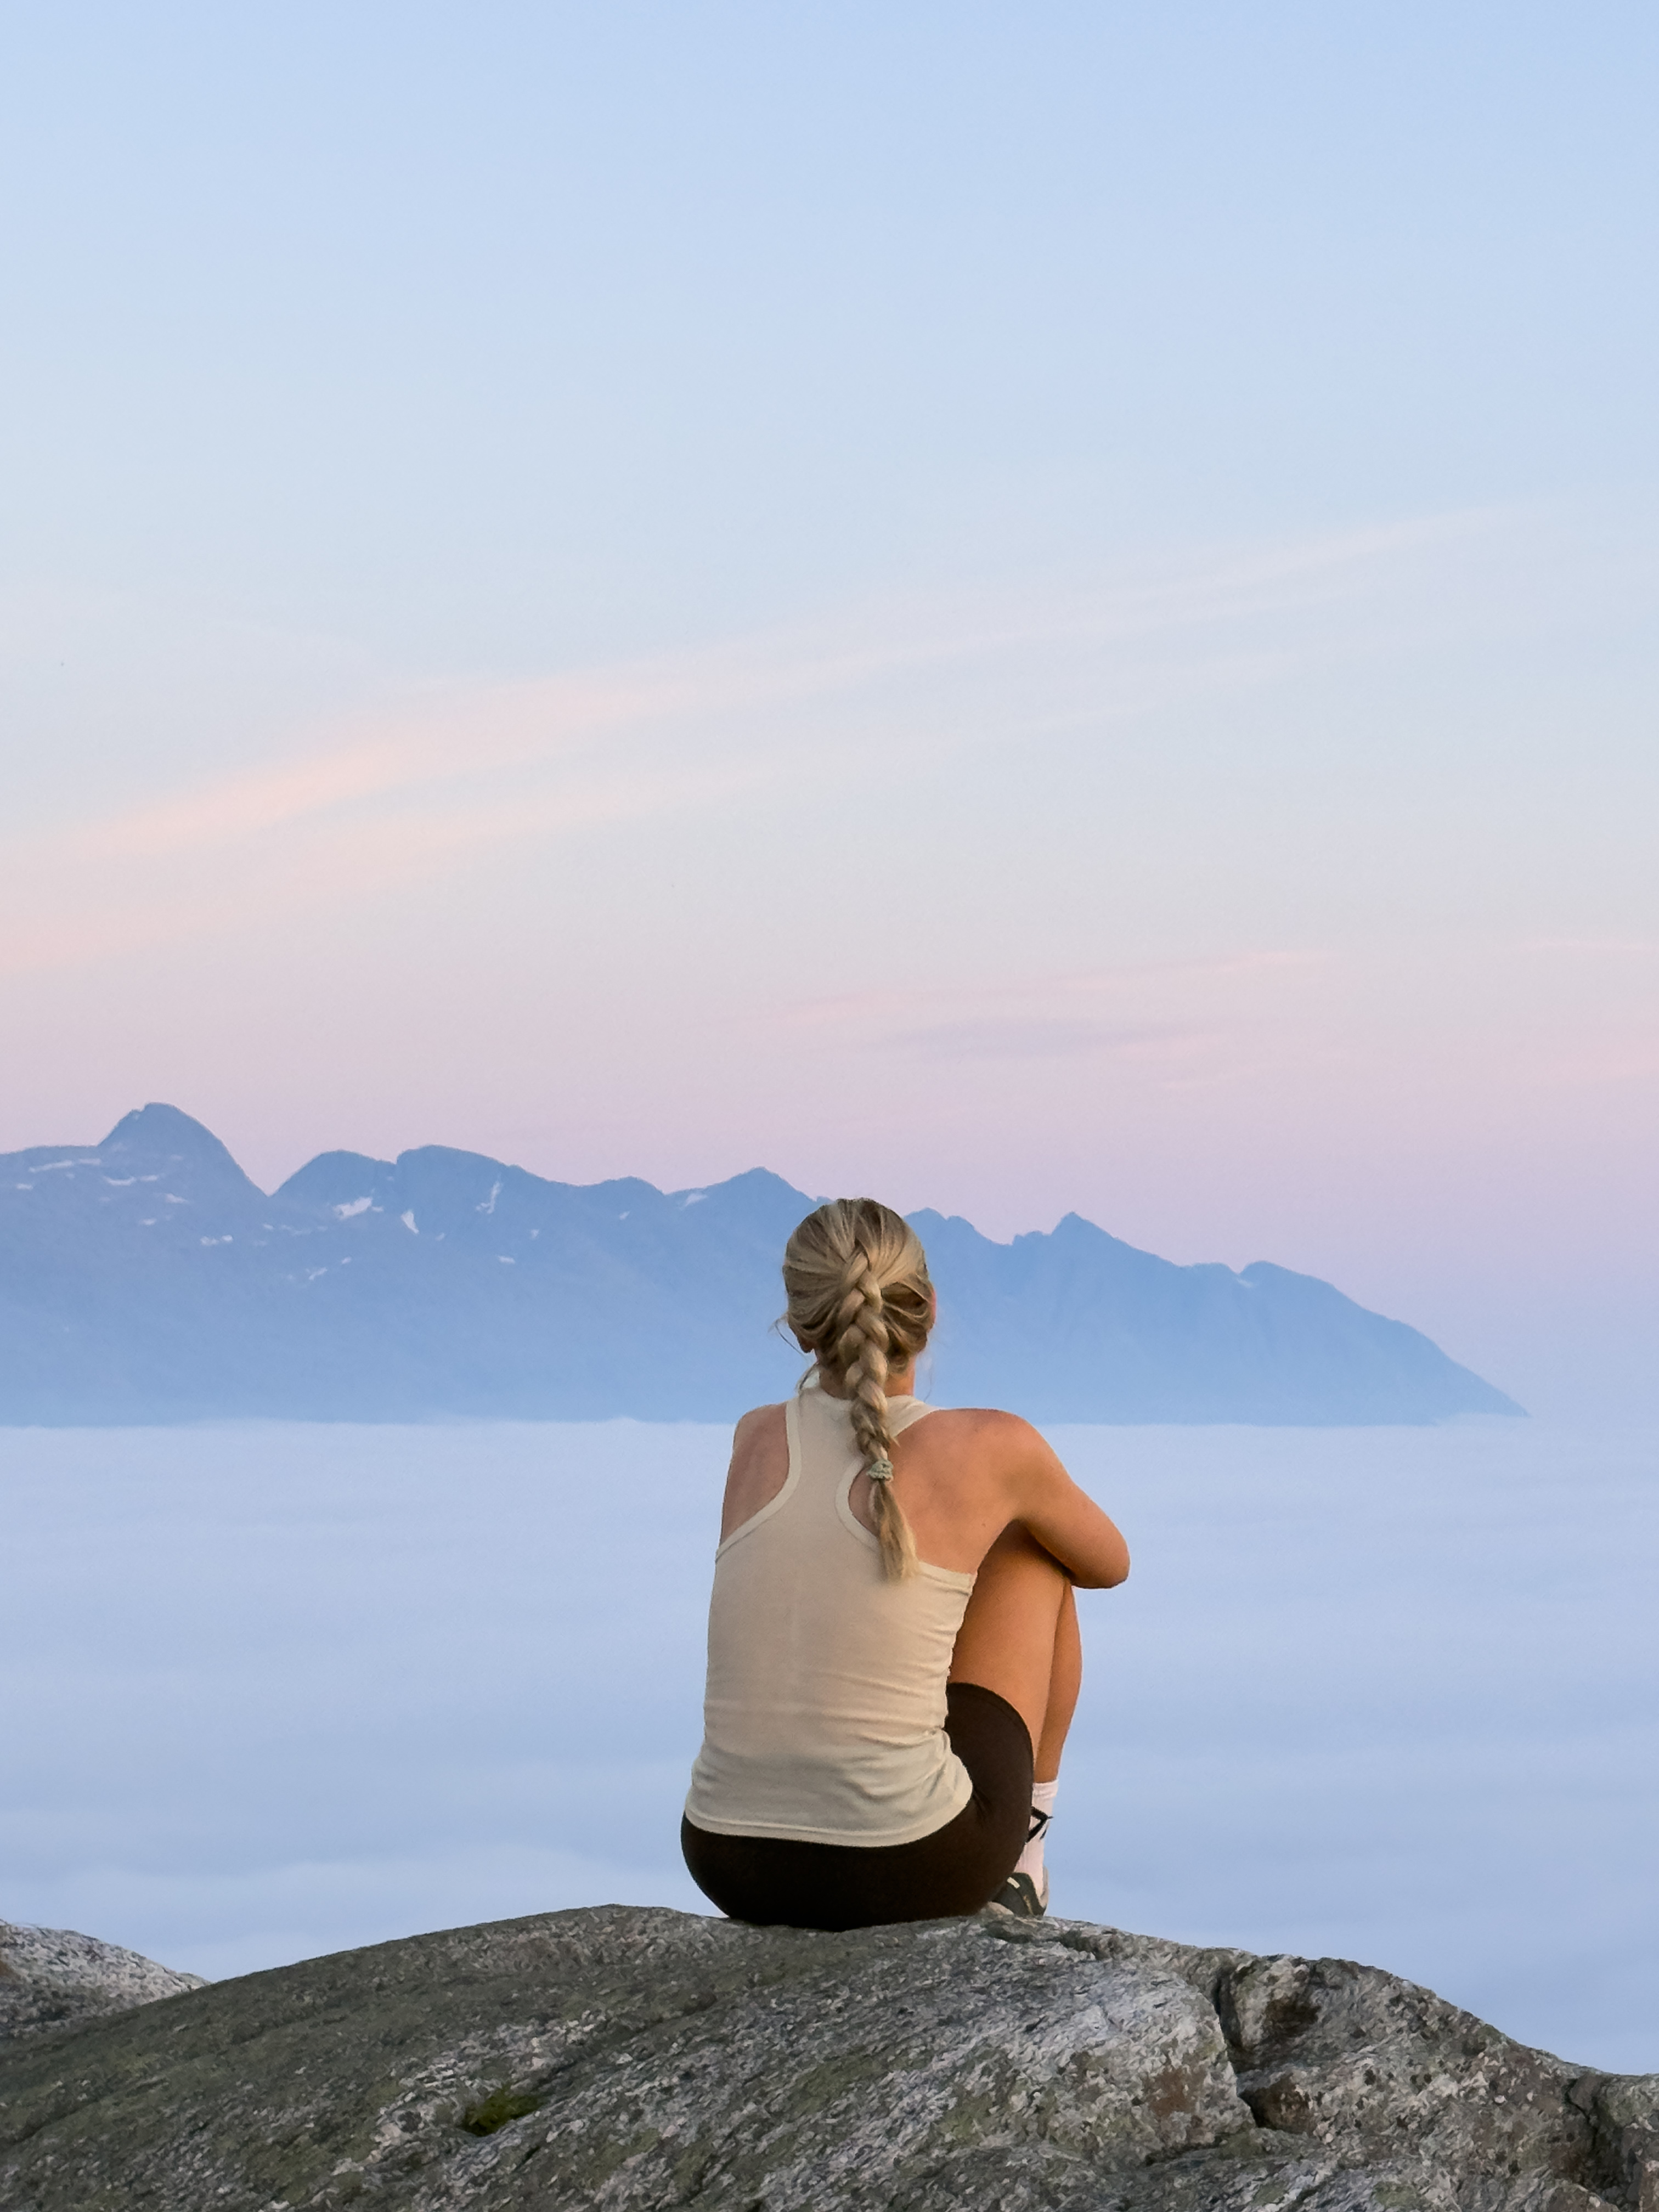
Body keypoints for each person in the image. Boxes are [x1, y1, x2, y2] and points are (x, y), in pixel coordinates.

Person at [681, 1197, 1130, 1930]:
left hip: (729, 1861)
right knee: (1037, 1546)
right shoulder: (992, 1445)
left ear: (800, 1325)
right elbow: (1108, 1562)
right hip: (910, 1866)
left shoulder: (754, 1439)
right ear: (928, 1311)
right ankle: (1026, 1859)